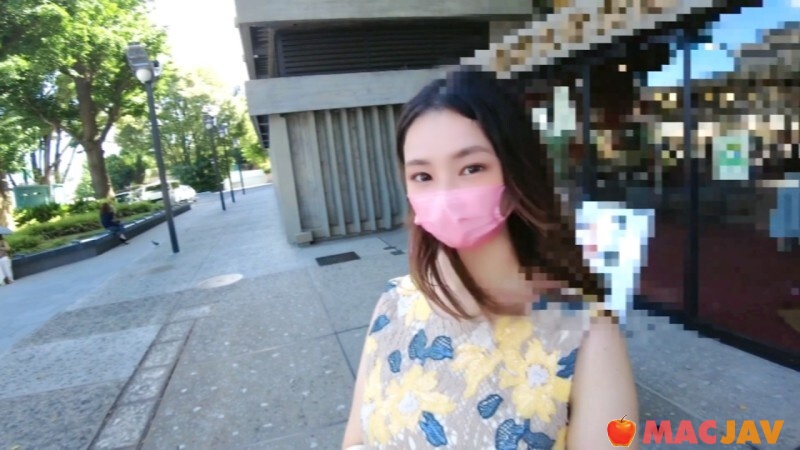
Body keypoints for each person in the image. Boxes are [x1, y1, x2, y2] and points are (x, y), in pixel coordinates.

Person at [342, 70, 639, 450]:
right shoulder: (392, 305)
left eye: (472, 168)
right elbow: (355, 441)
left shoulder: (588, 334)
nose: (446, 193)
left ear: (517, 173)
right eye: (422, 176)